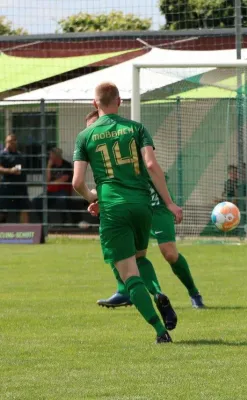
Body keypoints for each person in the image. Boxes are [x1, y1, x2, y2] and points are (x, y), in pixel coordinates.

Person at [73, 82, 183, 343]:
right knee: (141, 258)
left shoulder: (85, 136)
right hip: (142, 206)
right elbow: (151, 164)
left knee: (128, 274)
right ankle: (157, 293)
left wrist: (92, 197)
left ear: (94, 103)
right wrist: (169, 203)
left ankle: (160, 331)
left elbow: (77, 182)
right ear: (119, 101)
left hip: (112, 208)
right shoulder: (136, 128)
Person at [84, 109, 204, 310]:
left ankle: (194, 292)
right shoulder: (99, 150)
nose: (93, 133)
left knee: (169, 253)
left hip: (155, 205)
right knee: (123, 251)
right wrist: (102, 202)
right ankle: (130, 292)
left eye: (95, 127)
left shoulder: (128, 139)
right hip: (132, 207)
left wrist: (169, 203)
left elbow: (149, 168)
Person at [33, 147, 73, 224]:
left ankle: (65, 222)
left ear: (56, 155)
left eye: (51, 154)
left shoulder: (66, 165)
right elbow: (46, 181)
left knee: (63, 199)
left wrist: (51, 183)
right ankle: (46, 222)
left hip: (62, 191)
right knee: (36, 201)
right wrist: (48, 167)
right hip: (51, 192)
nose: (50, 156)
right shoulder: (51, 166)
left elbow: (63, 180)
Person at [0, 134, 30, 224]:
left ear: (15, 142)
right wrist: (10, 170)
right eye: (8, 142)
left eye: (11, 141)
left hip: (21, 187)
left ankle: (26, 233)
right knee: (2, 211)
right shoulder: (2, 154)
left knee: (24, 210)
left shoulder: (20, 154)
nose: (9, 144)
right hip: (7, 188)